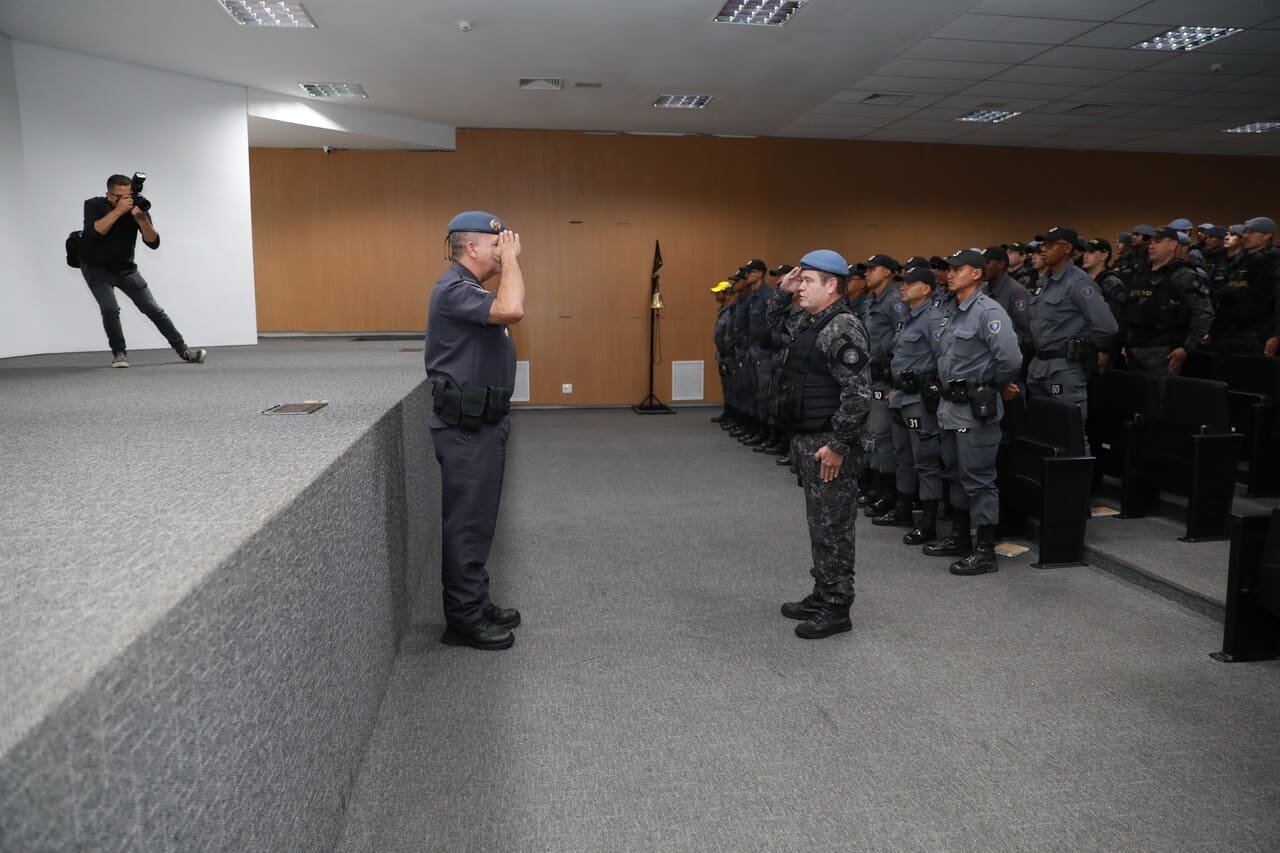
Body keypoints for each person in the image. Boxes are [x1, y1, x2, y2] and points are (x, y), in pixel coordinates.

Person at [424, 211, 524, 651]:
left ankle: (474, 601)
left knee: (478, 522)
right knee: (466, 524)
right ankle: (462, 621)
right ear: (472, 248)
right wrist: (515, 262)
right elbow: (512, 309)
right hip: (465, 430)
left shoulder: (470, 290)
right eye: (496, 240)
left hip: (482, 425)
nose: (503, 246)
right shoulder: (454, 289)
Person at [774, 251, 871, 639]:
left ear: (832, 284)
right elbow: (769, 335)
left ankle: (836, 606)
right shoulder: (811, 321)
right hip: (809, 439)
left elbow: (859, 394)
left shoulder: (842, 326)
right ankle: (822, 592)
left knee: (833, 526)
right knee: (820, 522)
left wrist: (839, 444)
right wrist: (781, 294)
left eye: (807, 281)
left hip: (829, 445)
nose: (799, 287)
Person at [927, 249, 1022, 576]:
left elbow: (1009, 358)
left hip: (973, 409)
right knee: (953, 474)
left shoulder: (987, 311)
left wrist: (991, 386)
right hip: (949, 408)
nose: (950, 274)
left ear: (977, 274)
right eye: (949, 269)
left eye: (958, 269)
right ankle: (958, 536)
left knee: (979, 479)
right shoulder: (952, 311)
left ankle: (984, 550)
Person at [78, 174, 206, 368]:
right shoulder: (94, 205)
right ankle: (119, 353)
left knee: (153, 309)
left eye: (128, 195)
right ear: (109, 195)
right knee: (110, 309)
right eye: (121, 197)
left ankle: (184, 351)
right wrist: (118, 212)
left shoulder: (136, 206)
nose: (127, 200)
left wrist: (141, 218)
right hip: (96, 268)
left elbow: (153, 242)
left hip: (126, 269)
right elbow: (94, 231)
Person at [1025, 226, 1118, 423]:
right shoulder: (1045, 282)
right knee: (1042, 431)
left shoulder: (1079, 283)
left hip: (1063, 370)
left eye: (1049, 245)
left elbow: (1107, 326)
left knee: (1069, 431)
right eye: (1043, 244)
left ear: (1066, 248)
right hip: (1039, 366)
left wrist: (1082, 347)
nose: (1043, 249)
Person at [879, 265, 944, 542]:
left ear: (926, 289)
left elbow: (943, 356)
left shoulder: (933, 318)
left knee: (925, 460)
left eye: (909, 282)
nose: (902, 286)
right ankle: (904, 509)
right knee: (902, 454)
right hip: (900, 397)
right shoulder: (907, 317)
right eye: (902, 282)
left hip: (918, 398)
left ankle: (928, 522)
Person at [1121, 227, 1213, 385]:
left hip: (1164, 352)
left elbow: (1203, 313)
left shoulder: (1183, 275)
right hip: (1134, 350)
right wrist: (1125, 343)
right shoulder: (1141, 274)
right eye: (1150, 242)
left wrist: (1186, 348)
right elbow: (1128, 309)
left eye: (1158, 242)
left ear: (1172, 245)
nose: (1151, 246)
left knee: (1159, 401)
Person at [859, 254, 905, 517]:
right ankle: (875, 487)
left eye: (872, 269)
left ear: (887, 272)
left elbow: (898, 340)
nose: (867, 273)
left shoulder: (895, 302)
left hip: (885, 376)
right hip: (869, 374)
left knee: (882, 436)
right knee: (871, 434)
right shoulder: (871, 301)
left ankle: (888, 493)